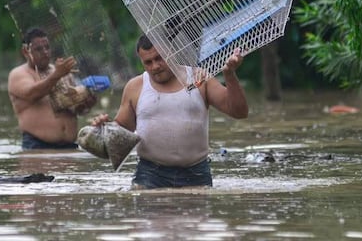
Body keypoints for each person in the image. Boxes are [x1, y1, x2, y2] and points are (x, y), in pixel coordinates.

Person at [91, 34, 248, 189]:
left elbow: (239, 112)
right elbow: (122, 131)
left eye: (159, 58)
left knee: (197, 215)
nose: (155, 66)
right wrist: (105, 128)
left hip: (196, 173)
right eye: (148, 62)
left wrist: (230, 75)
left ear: (172, 53)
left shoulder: (199, 78)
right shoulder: (135, 86)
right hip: (150, 173)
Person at [8, 27, 96, 150]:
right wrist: (57, 75)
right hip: (37, 147)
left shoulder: (61, 71)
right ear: (25, 51)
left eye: (47, 47)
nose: (45, 52)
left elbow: (76, 109)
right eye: (38, 49)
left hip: (70, 147)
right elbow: (32, 93)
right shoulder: (19, 74)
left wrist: (87, 103)